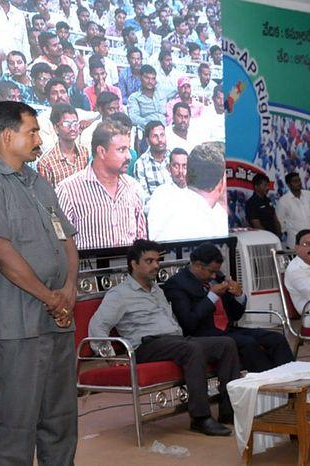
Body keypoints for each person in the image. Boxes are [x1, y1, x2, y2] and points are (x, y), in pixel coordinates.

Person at [0, 101, 79, 464]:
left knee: (61, 418)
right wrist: (51, 297)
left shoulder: (40, 182)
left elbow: (67, 241)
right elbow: (2, 252)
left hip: (58, 317)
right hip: (19, 322)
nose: (38, 138)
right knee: (17, 422)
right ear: (6, 135)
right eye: (32, 131)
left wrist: (70, 290)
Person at [89, 240, 239, 436]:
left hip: (173, 341)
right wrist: (112, 357)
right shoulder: (119, 294)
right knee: (192, 349)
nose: (156, 265)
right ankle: (200, 418)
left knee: (226, 344)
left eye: (157, 261)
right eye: (149, 261)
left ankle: (228, 412)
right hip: (146, 345)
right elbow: (97, 325)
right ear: (134, 264)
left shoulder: (156, 290)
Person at [164, 243, 294, 372]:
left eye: (216, 271)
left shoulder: (218, 278)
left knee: (276, 339)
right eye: (211, 271)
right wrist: (211, 297)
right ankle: (269, 383)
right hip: (202, 335)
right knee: (248, 343)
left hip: (229, 330)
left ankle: (291, 378)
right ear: (197, 265)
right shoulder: (177, 284)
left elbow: (236, 315)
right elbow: (188, 322)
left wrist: (239, 295)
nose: (214, 276)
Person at [56, 119, 146, 249]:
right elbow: (60, 241)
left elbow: (141, 238)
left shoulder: (133, 187)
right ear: (102, 152)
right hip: (90, 268)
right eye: (122, 150)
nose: (129, 157)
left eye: (128, 149)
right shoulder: (68, 190)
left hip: (128, 267)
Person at [147, 142, 228, 241]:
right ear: (221, 183)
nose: (180, 171)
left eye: (184, 166)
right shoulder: (221, 221)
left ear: (188, 175)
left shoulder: (165, 205)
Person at [37, 104, 88, 187]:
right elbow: (47, 196)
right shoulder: (46, 162)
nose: (72, 128)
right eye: (67, 123)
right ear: (56, 128)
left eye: (75, 123)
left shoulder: (84, 152)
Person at [132, 120, 172, 197]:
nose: (160, 140)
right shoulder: (141, 164)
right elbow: (143, 197)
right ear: (147, 141)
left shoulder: (173, 157)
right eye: (155, 136)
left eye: (162, 135)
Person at [278, 172, 310, 248]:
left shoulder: (309, 195)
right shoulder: (283, 201)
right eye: (295, 181)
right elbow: (280, 221)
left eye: (299, 180)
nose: (298, 183)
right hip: (295, 241)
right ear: (289, 185)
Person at [128, 65, 166, 130]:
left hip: (166, 128)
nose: (150, 81)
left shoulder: (162, 92)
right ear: (140, 77)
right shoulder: (134, 97)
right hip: (147, 130)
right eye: (147, 78)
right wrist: (151, 124)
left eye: (153, 78)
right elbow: (133, 118)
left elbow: (177, 90)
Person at [245, 173, 281, 237]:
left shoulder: (268, 200)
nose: (267, 188)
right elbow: (256, 224)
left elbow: (275, 219)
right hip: (261, 238)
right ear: (256, 187)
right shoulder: (251, 203)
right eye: (265, 185)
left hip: (274, 237)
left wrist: (278, 235)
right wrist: (269, 237)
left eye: (268, 185)